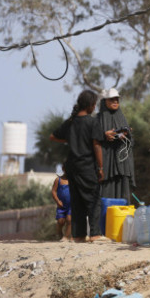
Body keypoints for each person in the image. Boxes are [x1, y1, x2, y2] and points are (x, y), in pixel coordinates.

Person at [50, 90, 106, 243]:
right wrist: (101, 168)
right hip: (87, 166)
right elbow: (97, 146)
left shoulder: (70, 122)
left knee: (77, 201)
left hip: (72, 167)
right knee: (93, 199)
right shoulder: (92, 122)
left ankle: (79, 236)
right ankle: (95, 234)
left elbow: (53, 136)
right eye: (94, 104)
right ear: (90, 105)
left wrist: (70, 140)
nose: (94, 108)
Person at [97, 88, 135, 203]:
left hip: (122, 166)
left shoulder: (122, 117)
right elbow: (91, 141)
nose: (115, 102)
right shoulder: (98, 119)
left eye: (117, 100)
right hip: (106, 168)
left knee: (123, 199)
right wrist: (104, 136)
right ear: (105, 101)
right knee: (105, 200)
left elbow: (131, 143)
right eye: (112, 99)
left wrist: (125, 135)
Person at [51, 164, 71, 241]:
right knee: (60, 221)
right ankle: (59, 234)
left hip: (71, 205)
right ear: (63, 169)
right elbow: (53, 191)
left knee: (69, 220)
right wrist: (57, 201)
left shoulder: (74, 180)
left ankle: (66, 237)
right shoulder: (58, 180)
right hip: (61, 205)